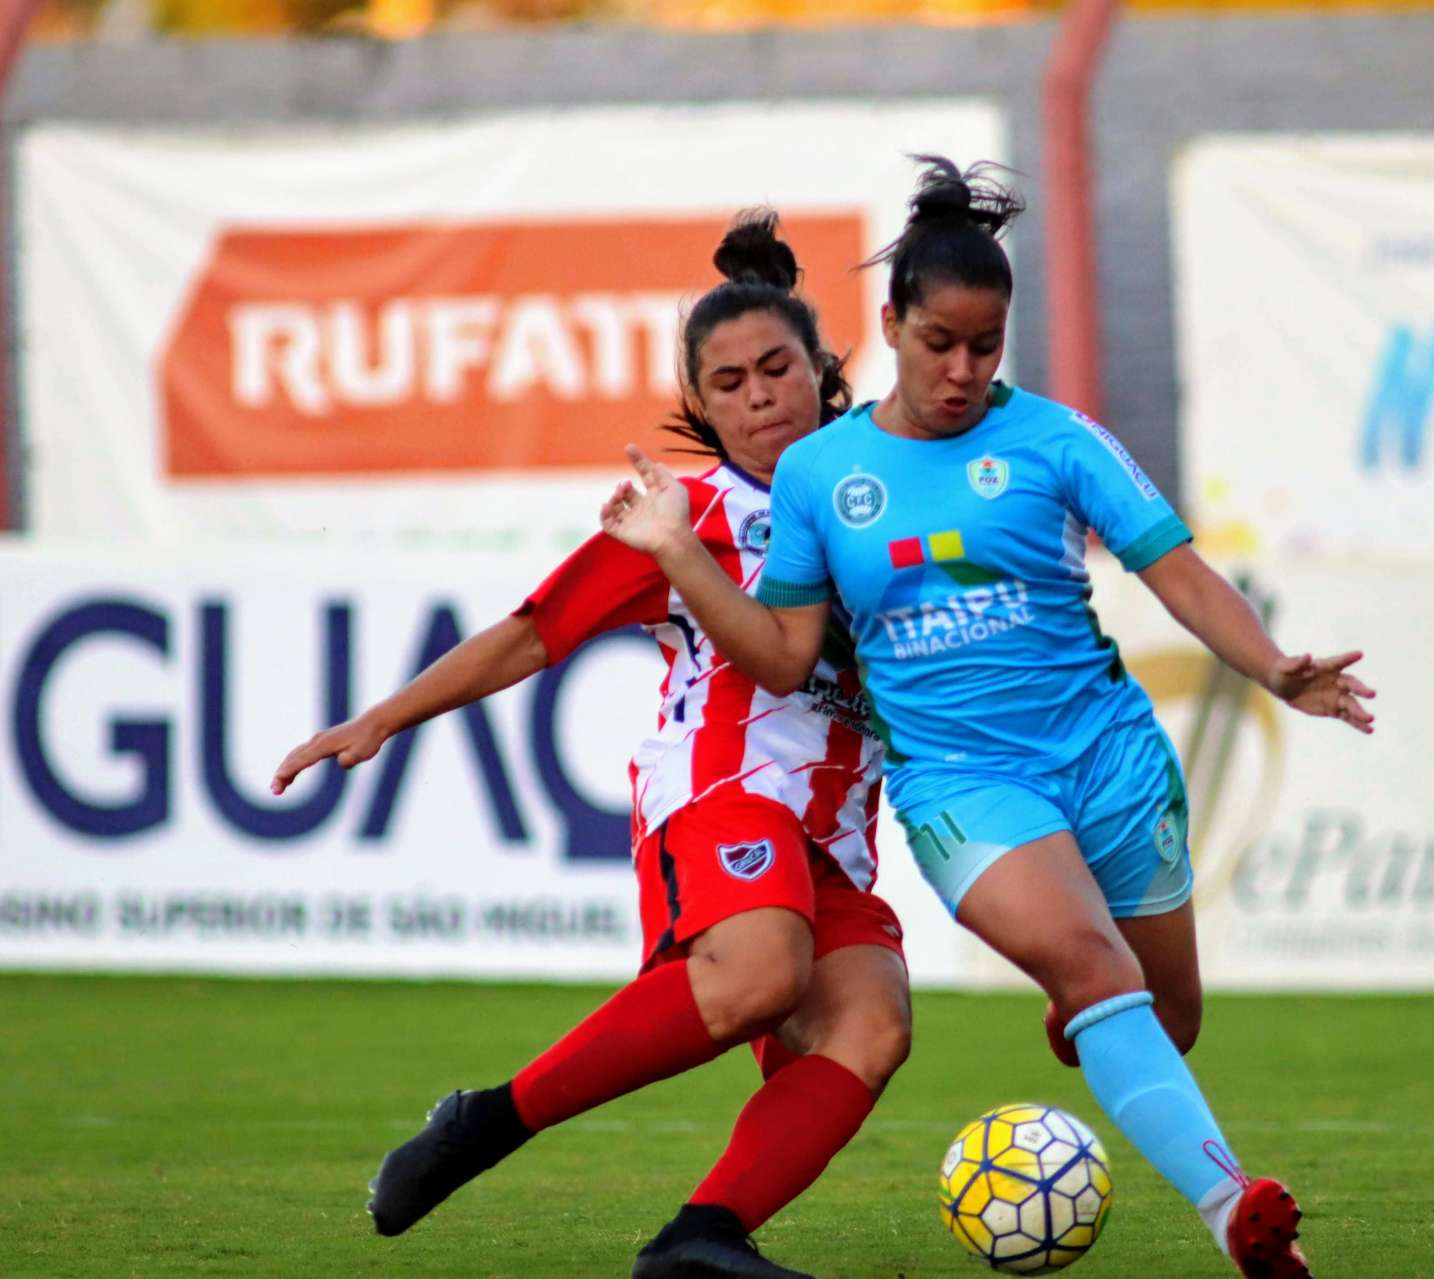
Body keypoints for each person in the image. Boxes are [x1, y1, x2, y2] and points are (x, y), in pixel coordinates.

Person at [598, 157, 1377, 1279]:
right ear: (890, 326)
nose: (961, 370)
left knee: (1167, 1013)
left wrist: (1271, 669)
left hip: (1108, 757)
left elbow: (1180, 573)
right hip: (964, 784)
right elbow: (780, 654)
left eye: (985, 344)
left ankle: (1099, 1019)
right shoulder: (824, 469)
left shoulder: (1058, 442)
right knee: (1098, 971)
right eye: (937, 343)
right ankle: (1233, 1207)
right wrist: (678, 553)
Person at [271, 212, 909, 1279]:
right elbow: (534, 632)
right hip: (722, 793)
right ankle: (487, 1121)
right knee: (759, 973)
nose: (759, 396)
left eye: (777, 369)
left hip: (833, 835)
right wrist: (383, 715)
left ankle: (700, 1241)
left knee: (872, 1024)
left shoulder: (886, 500)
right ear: (700, 406)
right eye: (730, 382)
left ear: (823, 372)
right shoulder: (691, 511)